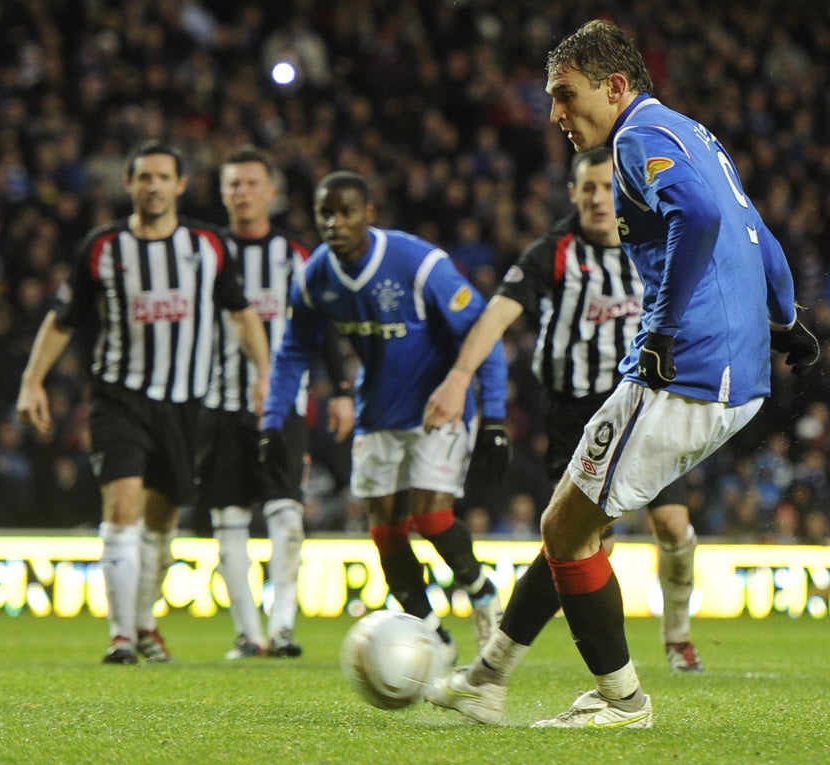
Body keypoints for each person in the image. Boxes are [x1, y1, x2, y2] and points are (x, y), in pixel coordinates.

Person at [424, 19, 819, 729]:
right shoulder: (695, 133)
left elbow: (698, 220)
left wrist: (663, 333)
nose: (554, 115)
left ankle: (622, 701)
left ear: (614, 86)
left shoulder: (635, 138)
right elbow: (753, 225)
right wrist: (785, 316)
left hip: (687, 368)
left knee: (567, 528)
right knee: (567, 523)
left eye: (565, 95)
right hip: (732, 372)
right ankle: (487, 678)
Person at [17, 141, 271, 665]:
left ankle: (144, 623)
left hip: (186, 404)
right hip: (118, 398)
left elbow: (242, 314)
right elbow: (63, 318)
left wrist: (265, 376)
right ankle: (120, 636)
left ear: (180, 185)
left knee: (162, 523)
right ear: (129, 185)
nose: (153, 186)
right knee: (123, 508)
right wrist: (32, 379)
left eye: (163, 177)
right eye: (143, 177)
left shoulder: (208, 246)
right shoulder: (102, 248)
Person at [469, 146, 705, 671]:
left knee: (669, 523)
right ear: (573, 193)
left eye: (608, 187)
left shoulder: (650, 242)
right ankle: (532, 661)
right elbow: (496, 316)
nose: (599, 198)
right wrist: (461, 377)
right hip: (575, 415)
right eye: (588, 188)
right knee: (584, 540)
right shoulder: (553, 252)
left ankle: (678, 638)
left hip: (644, 404)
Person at [263, 170, 512, 662]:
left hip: (436, 409)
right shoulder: (316, 277)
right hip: (376, 413)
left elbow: (483, 327)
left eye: (346, 212)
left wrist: (496, 416)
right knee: (385, 530)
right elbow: (293, 353)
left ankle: (482, 592)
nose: (334, 224)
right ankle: (431, 636)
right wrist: (272, 422)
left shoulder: (417, 262)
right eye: (325, 214)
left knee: (431, 514)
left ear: (369, 214)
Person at [198, 146, 355, 660]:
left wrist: (340, 390)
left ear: (271, 192)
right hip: (217, 404)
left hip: (284, 404)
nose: (241, 192)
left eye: (250, 183)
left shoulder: (296, 255)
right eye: (232, 184)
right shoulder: (203, 253)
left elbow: (324, 323)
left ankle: (283, 627)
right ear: (222, 194)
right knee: (229, 518)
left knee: (287, 513)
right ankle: (248, 633)